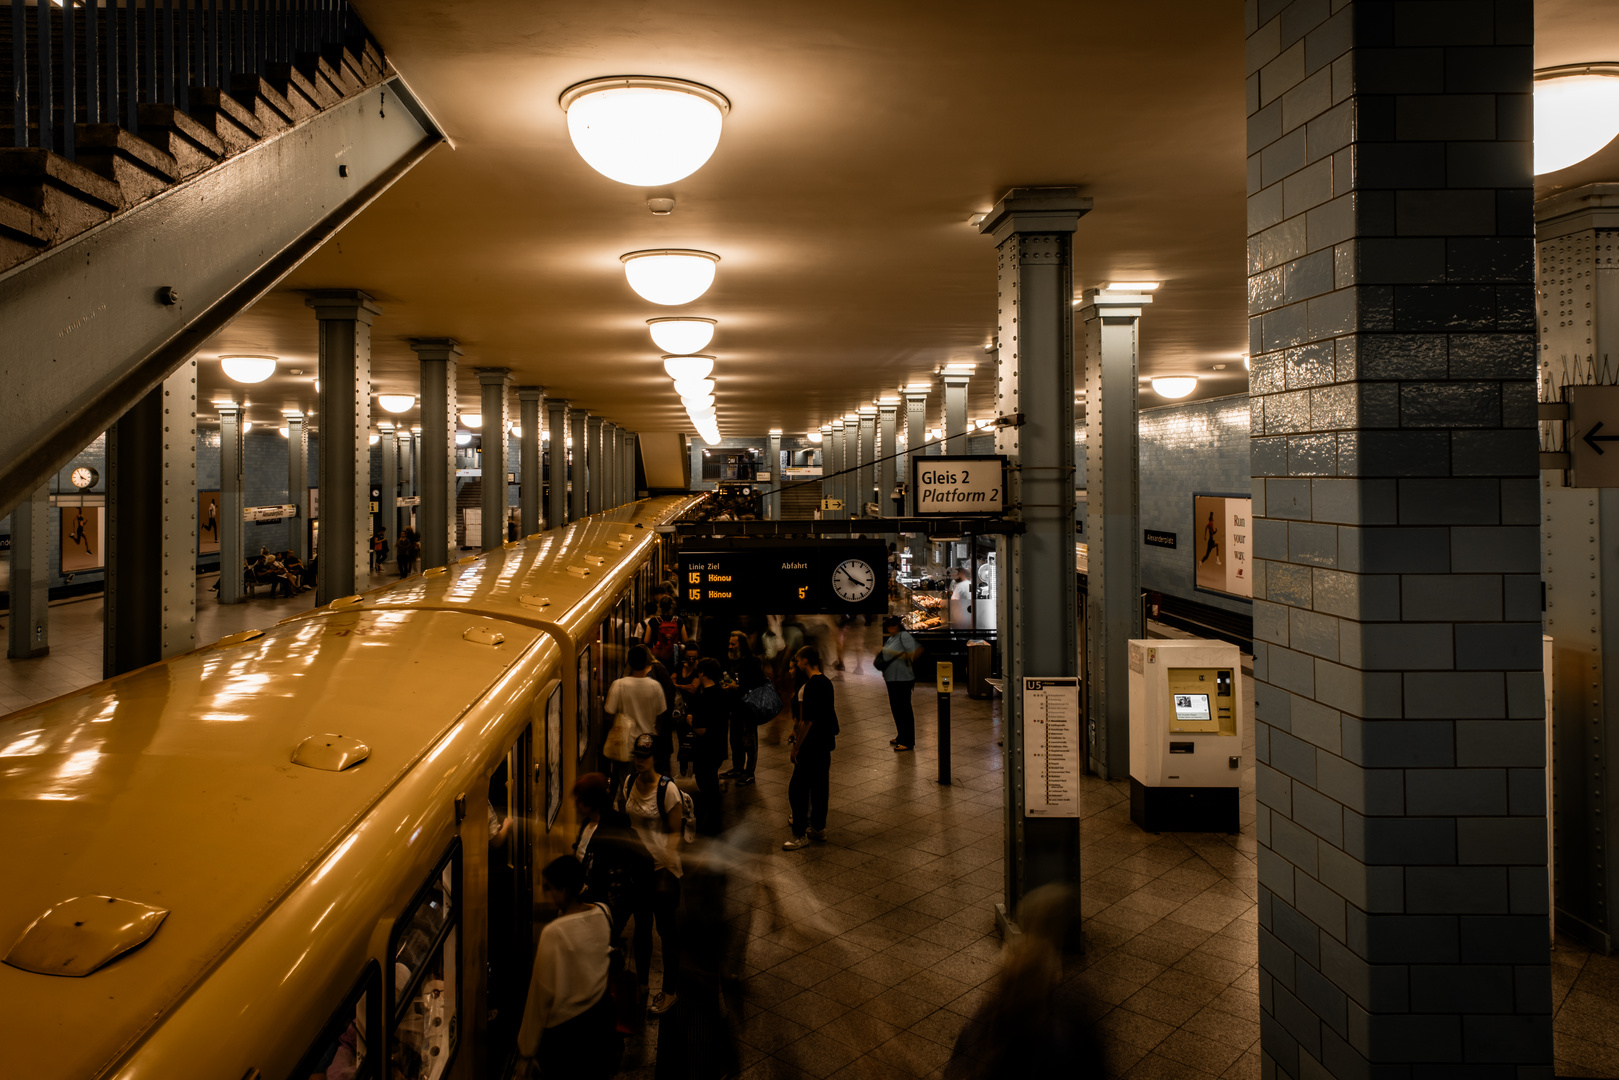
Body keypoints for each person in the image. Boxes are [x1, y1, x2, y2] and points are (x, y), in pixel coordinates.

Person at [514, 856, 616, 1080]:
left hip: (567, 1035)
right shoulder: (602, 912)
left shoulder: (555, 932)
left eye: (548, 888)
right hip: (600, 1023)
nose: (546, 894)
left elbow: (540, 995)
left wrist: (526, 1049)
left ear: (562, 889)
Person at [618, 734, 684, 1017]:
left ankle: (670, 991)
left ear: (655, 758)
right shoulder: (628, 783)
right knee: (642, 932)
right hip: (638, 870)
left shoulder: (668, 791)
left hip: (662, 871)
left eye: (645, 757)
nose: (639, 761)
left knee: (666, 933)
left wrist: (664, 870)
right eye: (637, 756)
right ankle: (643, 985)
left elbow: (674, 835)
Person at [571, 773, 653, 937]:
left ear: (591, 801)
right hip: (593, 904)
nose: (575, 804)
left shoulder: (611, 832)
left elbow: (617, 883)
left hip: (604, 910)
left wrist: (609, 920)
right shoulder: (588, 823)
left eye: (579, 800)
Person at [784, 646, 838, 851]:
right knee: (820, 787)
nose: (796, 665)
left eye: (798, 661)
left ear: (805, 661)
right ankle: (818, 827)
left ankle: (799, 833)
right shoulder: (826, 682)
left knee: (797, 789)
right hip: (825, 744)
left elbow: (807, 721)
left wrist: (796, 748)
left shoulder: (810, 686)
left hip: (811, 745)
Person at [604, 645, 669, 792]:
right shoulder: (655, 686)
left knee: (625, 786)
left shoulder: (618, 685)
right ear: (647, 662)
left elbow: (609, 713)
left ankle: (626, 811)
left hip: (624, 746)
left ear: (629, 663)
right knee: (646, 785)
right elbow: (661, 716)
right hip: (647, 745)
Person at [684, 658, 729, 835]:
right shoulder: (722, 694)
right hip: (718, 746)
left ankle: (713, 823)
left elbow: (701, 730)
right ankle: (714, 821)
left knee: (707, 785)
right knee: (711, 783)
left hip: (705, 749)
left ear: (702, 673)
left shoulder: (705, 698)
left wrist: (689, 721)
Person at [721, 631, 763, 784]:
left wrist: (737, 687)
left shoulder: (752, 662)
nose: (730, 647)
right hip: (735, 708)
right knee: (735, 740)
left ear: (742, 645)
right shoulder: (732, 661)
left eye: (733, 644)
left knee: (749, 742)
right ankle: (737, 768)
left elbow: (757, 685)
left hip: (748, 709)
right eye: (730, 644)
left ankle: (749, 772)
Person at [876, 615, 922, 751]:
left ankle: (908, 741)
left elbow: (915, 653)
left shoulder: (904, 636)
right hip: (892, 679)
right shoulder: (892, 638)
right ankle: (901, 735)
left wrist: (890, 652)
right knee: (896, 708)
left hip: (903, 679)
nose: (890, 628)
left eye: (893, 625)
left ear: (898, 625)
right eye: (888, 625)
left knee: (904, 709)